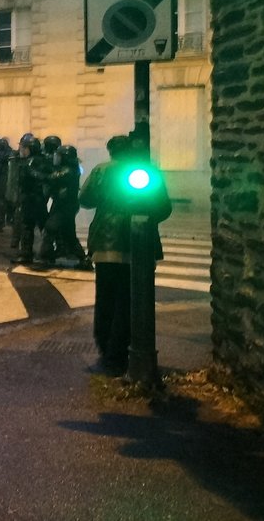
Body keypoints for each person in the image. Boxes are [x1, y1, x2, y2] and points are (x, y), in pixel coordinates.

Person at [79, 134, 171, 376]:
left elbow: (85, 199)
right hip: (138, 247)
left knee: (107, 300)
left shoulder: (102, 171)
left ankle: (109, 355)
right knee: (130, 301)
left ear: (111, 151)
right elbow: (164, 207)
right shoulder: (148, 171)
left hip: (106, 245)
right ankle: (125, 351)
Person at [37, 144, 91, 269]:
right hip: (65, 205)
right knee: (68, 234)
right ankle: (83, 259)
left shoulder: (68, 170)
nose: (56, 158)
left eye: (59, 156)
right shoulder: (70, 168)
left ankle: (45, 257)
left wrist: (36, 171)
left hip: (64, 206)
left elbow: (51, 178)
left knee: (50, 229)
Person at [12, 133, 48, 264]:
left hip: (33, 199)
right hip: (33, 198)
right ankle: (34, 253)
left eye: (24, 148)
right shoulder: (35, 160)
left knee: (29, 226)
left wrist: (29, 172)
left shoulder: (33, 162)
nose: (22, 150)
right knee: (33, 226)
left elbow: (38, 177)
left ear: (30, 149)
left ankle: (30, 254)